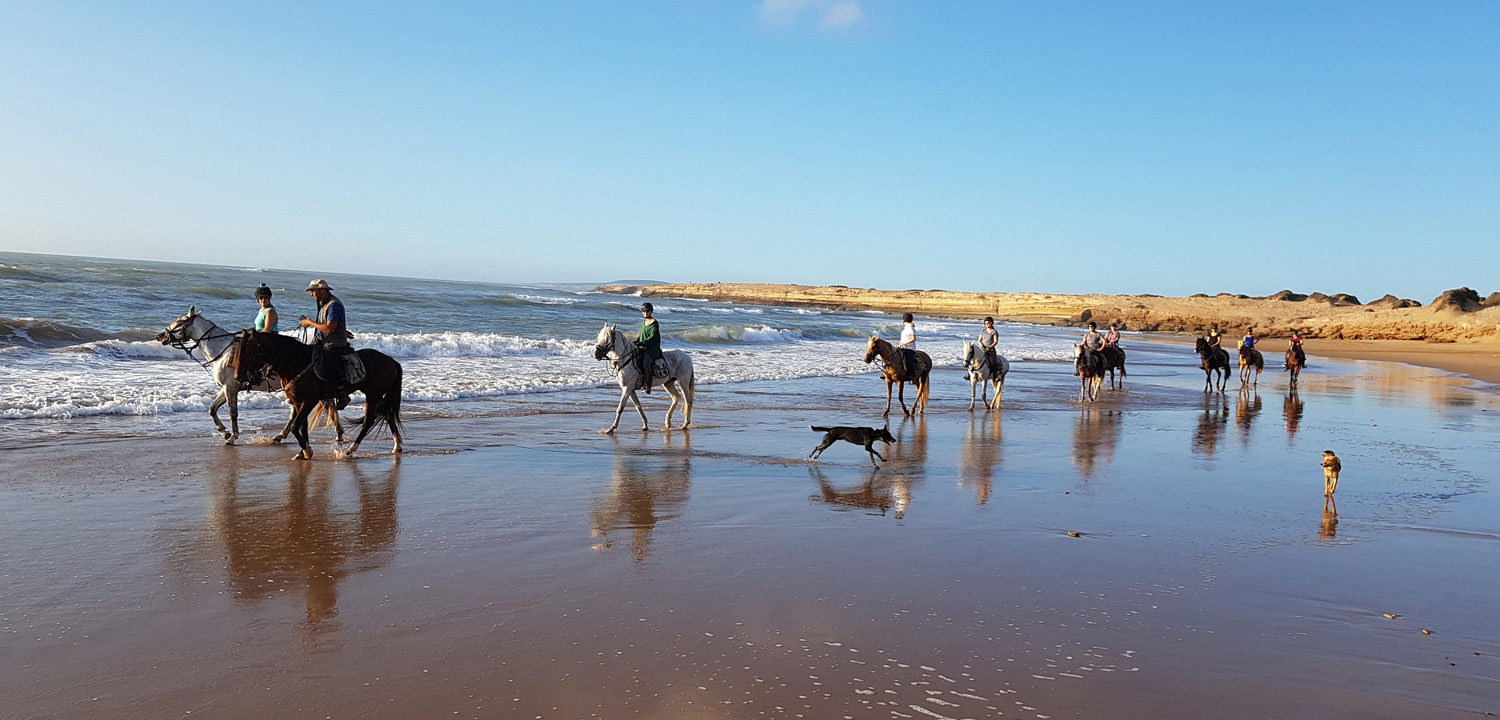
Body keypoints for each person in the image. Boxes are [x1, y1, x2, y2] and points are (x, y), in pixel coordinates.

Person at [299, 279, 354, 408]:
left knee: (329, 364)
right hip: (321, 341)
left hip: (333, 344)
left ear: (322, 291)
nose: (311, 294)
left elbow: (329, 329)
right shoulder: (323, 303)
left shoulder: (333, 305)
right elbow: (330, 324)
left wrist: (310, 323)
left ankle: (342, 393)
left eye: (313, 291)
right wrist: (342, 330)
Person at [636, 303, 663, 393]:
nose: (645, 312)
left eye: (647, 311)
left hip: (652, 349)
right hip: (643, 347)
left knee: (646, 363)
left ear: (651, 311)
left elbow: (653, 337)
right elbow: (641, 334)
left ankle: (648, 385)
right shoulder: (643, 323)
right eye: (643, 311)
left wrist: (643, 342)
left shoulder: (654, 323)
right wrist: (637, 340)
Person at [897, 312, 918, 377]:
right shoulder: (906, 328)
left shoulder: (910, 328)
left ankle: (912, 376)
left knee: (909, 361)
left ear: (904, 320)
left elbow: (913, 338)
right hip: (902, 347)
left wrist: (904, 343)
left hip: (909, 348)